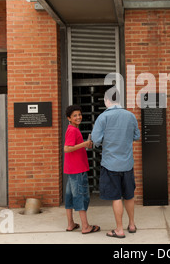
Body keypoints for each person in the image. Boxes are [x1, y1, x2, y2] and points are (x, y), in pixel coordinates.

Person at [91, 87, 140, 238]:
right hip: (127, 163)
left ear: (107, 101)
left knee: (116, 197)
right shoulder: (130, 116)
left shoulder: (103, 117)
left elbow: (96, 140)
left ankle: (119, 229)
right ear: (119, 100)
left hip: (110, 164)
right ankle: (131, 225)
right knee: (129, 195)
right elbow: (136, 136)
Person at [63, 105, 100, 234]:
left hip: (71, 169)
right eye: (74, 115)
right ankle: (85, 226)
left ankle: (70, 224)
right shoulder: (72, 130)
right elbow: (67, 148)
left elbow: (73, 147)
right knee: (81, 196)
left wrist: (84, 145)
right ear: (69, 118)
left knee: (69, 197)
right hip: (77, 169)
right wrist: (84, 144)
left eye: (79, 114)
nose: (78, 117)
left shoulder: (73, 129)